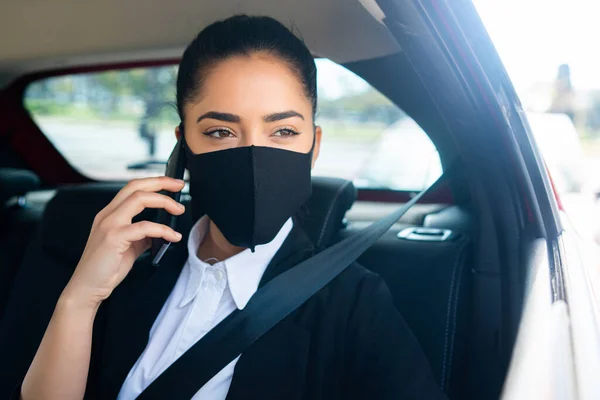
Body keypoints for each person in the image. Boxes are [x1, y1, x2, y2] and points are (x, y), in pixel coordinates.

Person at [19, 15, 445, 400]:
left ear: (313, 147)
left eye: (282, 131)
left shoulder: (354, 304)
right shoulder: (135, 267)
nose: (254, 158)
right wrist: (80, 297)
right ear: (183, 144)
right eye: (221, 131)